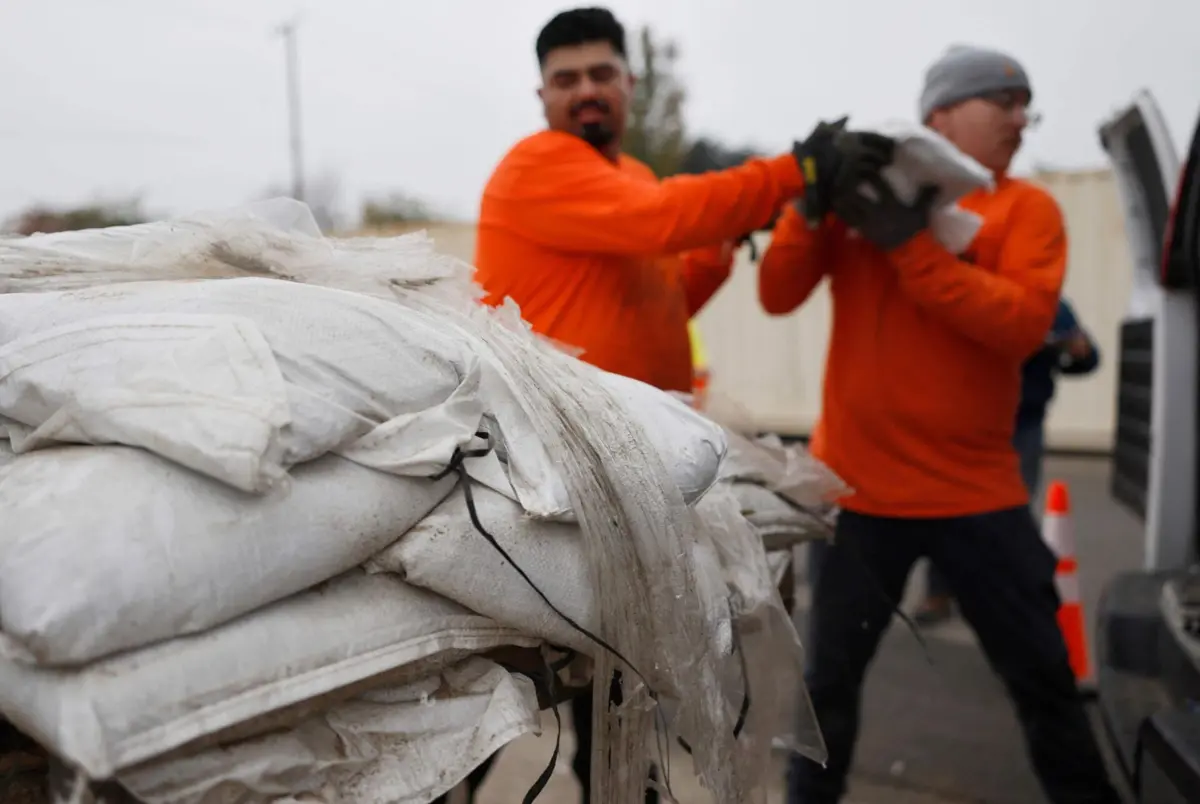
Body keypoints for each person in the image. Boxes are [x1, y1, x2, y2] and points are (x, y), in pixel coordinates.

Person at [432, 7, 894, 803]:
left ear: (628, 83)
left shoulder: (632, 180)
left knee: (617, 705)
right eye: (567, 79)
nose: (586, 91)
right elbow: (662, 219)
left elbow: (663, 297)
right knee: (494, 701)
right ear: (542, 95)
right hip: (536, 484)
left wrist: (727, 235)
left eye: (601, 74)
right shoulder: (537, 165)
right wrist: (790, 174)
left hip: (623, 485)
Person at [758, 44, 1121, 804]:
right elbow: (777, 293)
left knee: (1047, 684)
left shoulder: (1026, 210)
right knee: (828, 689)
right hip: (859, 496)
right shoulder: (858, 201)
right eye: (1004, 101)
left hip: (977, 497)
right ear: (941, 115)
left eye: (1026, 106)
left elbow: (1022, 326)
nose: (1021, 119)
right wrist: (808, 211)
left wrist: (910, 248)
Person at [917, 298, 1101, 624]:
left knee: (1012, 510)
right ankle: (940, 592)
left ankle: (1014, 596)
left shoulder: (1052, 307)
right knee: (950, 508)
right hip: (969, 422)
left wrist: (1079, 352)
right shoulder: (974, 294)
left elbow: (1086, 360)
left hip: (1023, 425)